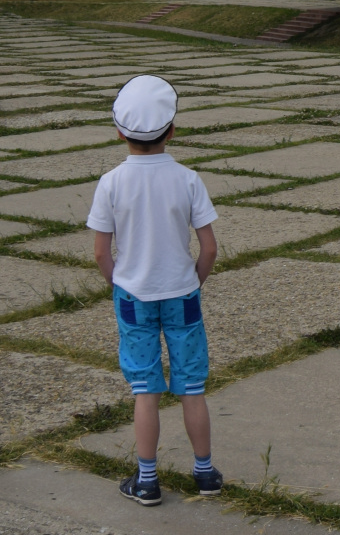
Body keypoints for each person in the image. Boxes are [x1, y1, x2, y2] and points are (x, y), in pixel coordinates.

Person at [88, 75, 222, 506]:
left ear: (119, 132)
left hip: (133, 297)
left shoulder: (111, 182)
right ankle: (205, 473)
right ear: (172, 131)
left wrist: (120, 285)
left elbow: (100, 252)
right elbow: (209, 248)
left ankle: (147, 481)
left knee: (145, 388)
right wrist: (192, 282)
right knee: (192, 386)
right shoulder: (188, 179)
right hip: (182, 295)